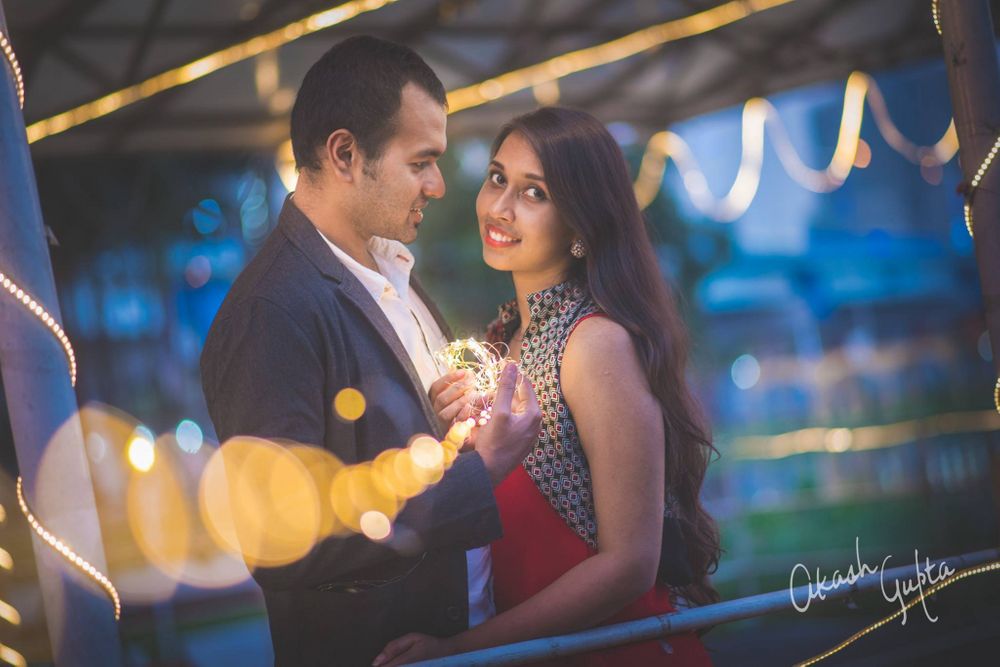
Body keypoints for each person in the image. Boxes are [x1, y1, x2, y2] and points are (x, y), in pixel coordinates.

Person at [199, 36, 541, 667]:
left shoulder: (391, 271)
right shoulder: (271, 313)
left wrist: (449, 432)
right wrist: (479, 472)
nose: (439, 185)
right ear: (346, 154)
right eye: (421, 162)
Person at [375, 107, 721, 666]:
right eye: (497, 179)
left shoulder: (594, 342)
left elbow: (630, 563)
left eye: (533, 193)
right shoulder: (505, 337)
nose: (499, 208)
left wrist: (462, 650)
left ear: (581, 222)